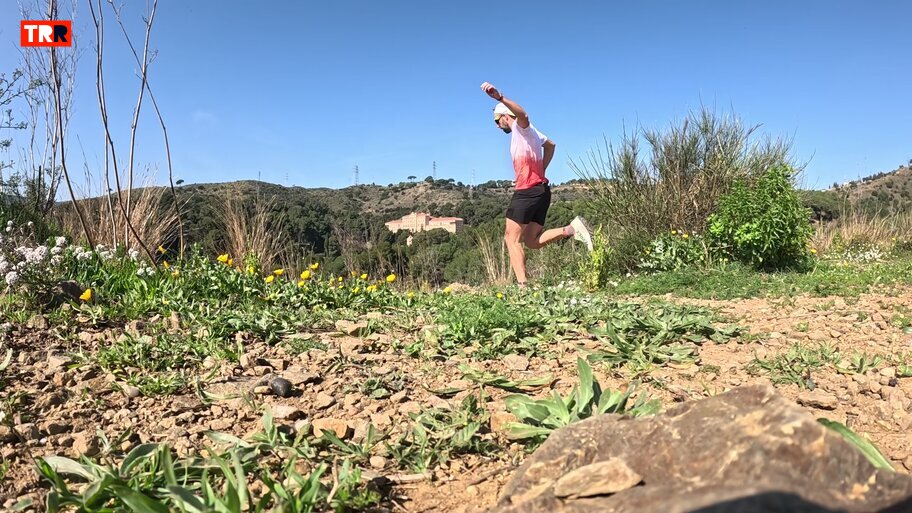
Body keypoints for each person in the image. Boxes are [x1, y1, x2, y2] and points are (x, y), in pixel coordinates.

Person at [480, 81, 593, 288]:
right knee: (531, 241)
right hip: (541, 190)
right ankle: (571, 229)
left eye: (497, 120)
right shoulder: (533, 133)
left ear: (505, 115)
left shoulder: (521, 128)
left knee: (511, 239)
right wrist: (541, 170)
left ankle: (523, 287)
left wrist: (500, 98)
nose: (497, 125)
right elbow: (551, 146)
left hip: (528, 190)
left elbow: (523, 115)